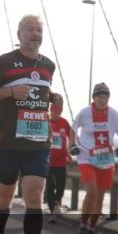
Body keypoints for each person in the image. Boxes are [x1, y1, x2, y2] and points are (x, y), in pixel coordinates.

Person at [0, 15, 55, 234]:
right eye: (29, 30)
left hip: (38, 143)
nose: (34, 34)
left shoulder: (48, 66)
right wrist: (10, 93)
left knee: (34, 196)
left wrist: (53, 98)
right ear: (19, 33)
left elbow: (42, 95)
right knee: (4, 197)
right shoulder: (5, 62)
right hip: (8, 143)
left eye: (38, 30)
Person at [70, 83, 118, 234]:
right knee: (92, 192)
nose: (103, 100)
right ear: (94, 98)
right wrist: (72, 145)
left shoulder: (113, 114)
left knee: (100, 198)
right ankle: (82, 226)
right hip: (86, 157)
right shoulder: (85, 112)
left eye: (106, 97)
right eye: (100, 97)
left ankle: (91, 229)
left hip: (105, 159)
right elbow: (73, 129)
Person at [46, 93, 73, 222]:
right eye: (54, 112)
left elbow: (72, 138)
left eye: (58, 112)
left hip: (61, 161)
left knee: (61, 186)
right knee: (50, 186)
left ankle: (57, 202)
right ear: (50, 110)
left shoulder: (65, 123)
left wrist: (69, 153)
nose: (56, 114)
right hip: (47, 161)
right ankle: (52, 210)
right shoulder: (46, 122)